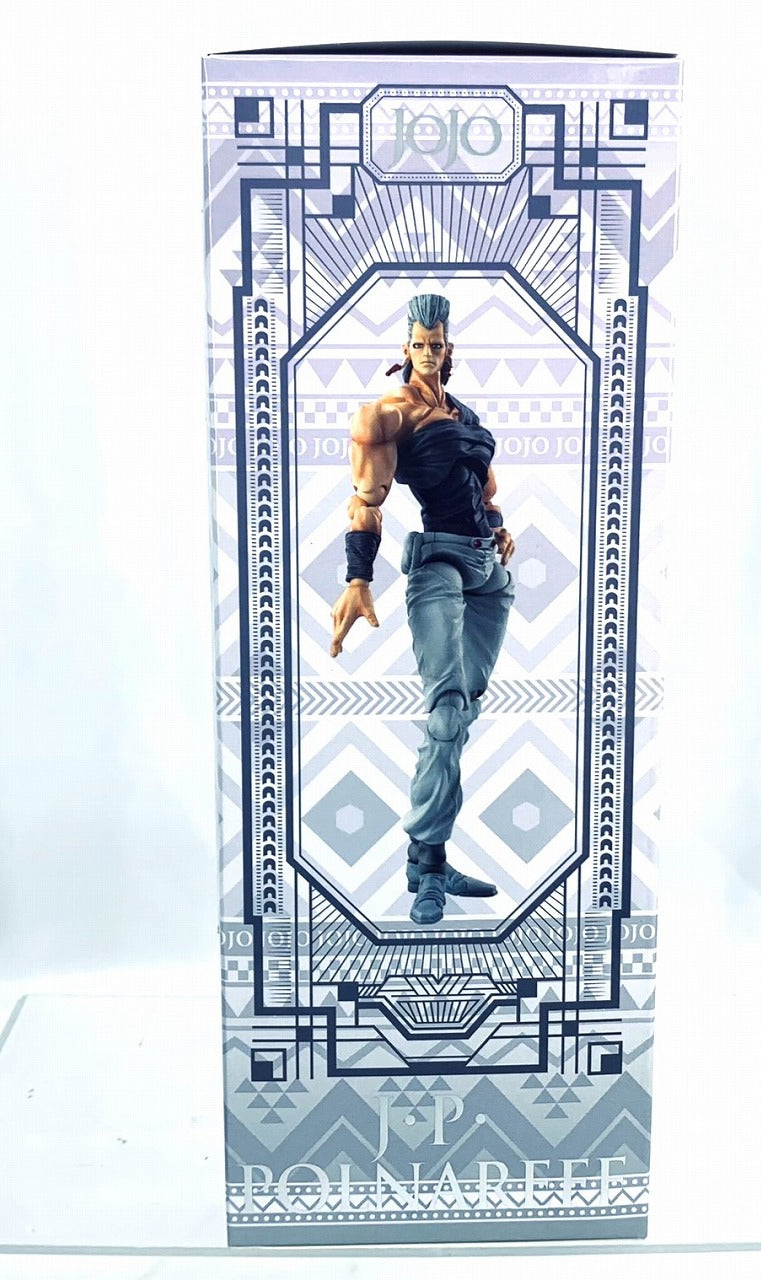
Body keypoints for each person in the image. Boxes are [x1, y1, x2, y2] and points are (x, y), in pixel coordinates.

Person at [329, 294, 516, 925]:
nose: (428, 353)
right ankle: (429, 869)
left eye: (437, 344)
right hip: (438, 562)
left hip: (489, 576)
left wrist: (499, 526)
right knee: (444, 715)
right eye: (418, 344)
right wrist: (358, 576)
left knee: (460, 718)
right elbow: (366, 501)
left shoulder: (464, 414)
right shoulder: (388, 415)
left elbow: (484, 492)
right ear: (405, 348)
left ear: (448, 347)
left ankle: (424, 857)